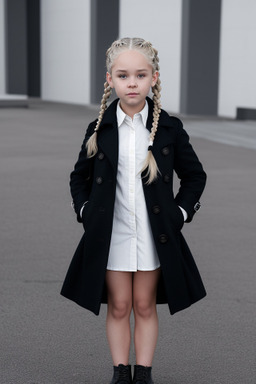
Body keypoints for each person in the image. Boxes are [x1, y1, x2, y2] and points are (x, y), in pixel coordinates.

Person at [61, 37, 207, 384]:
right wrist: (84, 211)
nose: (132, 83)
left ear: (153, 78)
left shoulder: (169, 127)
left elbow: (195, 176)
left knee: (143, 305)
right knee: (119, 305)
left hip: (154, 234)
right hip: (111, 234)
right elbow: (78, 177)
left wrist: (180, 213)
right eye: (123, 75)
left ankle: (143, 372)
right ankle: (120, 372)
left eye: (140, 75)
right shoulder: (99, 129)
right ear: (110, 80)